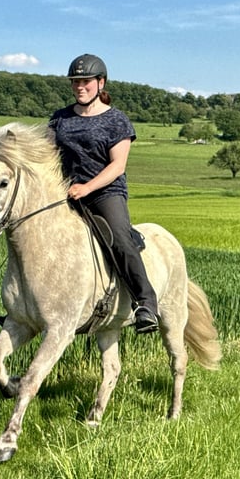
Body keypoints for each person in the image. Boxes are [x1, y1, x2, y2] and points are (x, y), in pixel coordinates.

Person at [48, 54, 159, 334]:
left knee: (120, 238)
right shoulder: (60, 119)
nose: (79, 87)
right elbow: (45, 153)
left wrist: (86, 187)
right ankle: (28, 308)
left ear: (101, 83)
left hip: (104, 193)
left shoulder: (116, 121)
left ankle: (146, 303)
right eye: (75, 82)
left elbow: (117, 166)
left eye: (85, 81)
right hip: (66, 193)